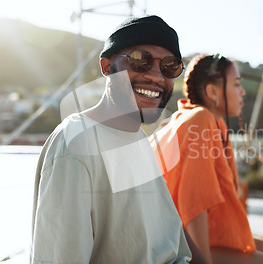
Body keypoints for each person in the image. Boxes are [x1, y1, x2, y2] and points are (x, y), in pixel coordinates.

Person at [30, 15, 207, 264]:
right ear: (106, 67)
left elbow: (165, 237)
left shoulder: (136, 138)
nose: (157, 77)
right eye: (139, 61)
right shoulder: (76, 145)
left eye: (169, 67)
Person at [150, 54, 263, 264]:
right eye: (237, 85)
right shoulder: (201, 119)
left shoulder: (201, 120)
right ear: (212, 92)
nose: (243, 92)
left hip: (194, 237)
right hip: (179, 245)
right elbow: (195, 204)